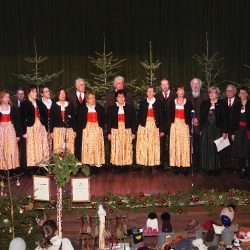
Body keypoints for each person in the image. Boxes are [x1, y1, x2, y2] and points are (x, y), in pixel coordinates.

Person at [200, 86, 228, 176]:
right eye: (210, 92)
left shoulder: (222, 104)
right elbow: (202, 117)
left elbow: (225, 119)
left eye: (213, 92)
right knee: (208, 148)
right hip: (207, 129)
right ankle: (210, 167)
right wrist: (201, 129)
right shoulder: (205, 104)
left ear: (217, 94)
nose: (211, 94)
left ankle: (217, 168)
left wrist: (224, 131)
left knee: (216, 148)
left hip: (217, 129)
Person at [19, 85, 49, 168]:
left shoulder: (39, 103)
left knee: (41, 145)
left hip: (40, 126)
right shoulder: (24, 104)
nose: (35, 93)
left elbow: (45, 116)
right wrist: (24, 132)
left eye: (36, 91)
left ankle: (42, 166)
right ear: (28, 93)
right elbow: (21, 119)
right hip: (30, 127)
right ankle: (32, 167)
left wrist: (46, 129)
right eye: (33, 92)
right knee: (32, 146)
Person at [107, 89, 136, 174]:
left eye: (122, 96)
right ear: (116, 98)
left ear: (125, 98)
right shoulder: (111, 108)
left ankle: (125, 166)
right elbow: (109, 122)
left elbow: (133, 121)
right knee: (116, 148)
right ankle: (117, 166)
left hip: (126, 130)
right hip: (115, 131)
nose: (120, 98)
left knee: (126, 148)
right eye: (119, 96)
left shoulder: (130, 108)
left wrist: (133, 133)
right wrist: (109, 133)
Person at [136, 86, 164, 174]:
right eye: (148, 91)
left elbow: (162, 117)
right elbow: (139, 116)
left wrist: (162, 130)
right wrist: (138, 128)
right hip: (144, 126)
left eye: (152, 91)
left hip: (154, 127)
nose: (150, 93)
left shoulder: (159, 103)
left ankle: (153, 166)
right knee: (145, 145)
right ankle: (146, 165)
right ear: (146, 93)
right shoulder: (143, 103)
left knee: (154, 146)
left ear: (154, 93)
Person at [77, 91, 105, 175]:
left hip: (97, 129)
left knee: (97, 148)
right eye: (90, 98)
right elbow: (79, 120)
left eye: (93, 98)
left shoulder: (100, 108)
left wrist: (101, 126)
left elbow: (104, 118)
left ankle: (96, 169)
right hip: (87, 130)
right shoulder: (82, 109)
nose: (92, 99)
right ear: (87, 99)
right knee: (88, 148)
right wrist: (83, 128)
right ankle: (89, 168)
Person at [185, 78, 209, 172]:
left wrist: (198, 120)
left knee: (201, 146)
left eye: (197, 84)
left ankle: (201, 165)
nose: (195, 86)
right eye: (193, 84)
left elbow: (207, 111)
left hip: (201, 126)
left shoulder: (205, 96)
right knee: (191, 146)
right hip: (189, 126)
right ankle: (192, 164)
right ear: (191, 85)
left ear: (200, 85)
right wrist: (191, 119)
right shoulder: (186, 96)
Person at [169, 84, 193, 176]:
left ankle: (185, 167)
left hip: (184, 125)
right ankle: (176, 166)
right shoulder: (172, 102)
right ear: (176, 92)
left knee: (184, 146)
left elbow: (190, 115)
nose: (181, 92)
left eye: (183, 90)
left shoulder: (188, 102)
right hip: (175, 125)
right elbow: (170, 115)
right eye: (179, 90)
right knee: (175, 145)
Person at [155, 78, 176, 168]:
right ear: (160, 86)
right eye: (163, 85)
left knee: (172, 143)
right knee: (161, 143)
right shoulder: (157, 97)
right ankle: (161, 163)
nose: (165, 86)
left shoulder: (175, 96)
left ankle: (172, 163)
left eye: (166, 84)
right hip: (161, 124)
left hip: (172, 123)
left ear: (169, 85)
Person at [231, 86, 250, 180]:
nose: (242, 94)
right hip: (239, 131)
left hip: (248, 130)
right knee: (241, 151)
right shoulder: (237, 106)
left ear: (247, 94)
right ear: (238, 94)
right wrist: (233, 133)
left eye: (244, 92)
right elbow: (234, 120)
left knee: (248, 150)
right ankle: (243, 171)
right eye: (241, 93)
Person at [50, 88, 76, 154]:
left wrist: (75, 130)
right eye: (61, 93)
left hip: (69, 130)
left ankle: (69, 162)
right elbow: (52, 119)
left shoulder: (70, 105)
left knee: (69, 147)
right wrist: (51, 131)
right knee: (58, 147)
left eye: (64, 93)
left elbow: (73, 119)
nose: (62, 95)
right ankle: (59, 163)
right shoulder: (54, 105)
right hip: (57, 130)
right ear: (57, 95)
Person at [0, 90, 20, 170]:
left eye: (8, 97)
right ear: (1, 98)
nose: (7, 99)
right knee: (2, 148)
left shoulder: (12, 108)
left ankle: (11, 167)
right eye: (6, 97)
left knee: (11, 148)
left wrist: (18, 135)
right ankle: (2, 167)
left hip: (10, 129)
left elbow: (16, 121)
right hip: (1, 129)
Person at [67, 78, 86, 160]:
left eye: (84, 84)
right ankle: (76, 162)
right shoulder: (70, 96)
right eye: (81, 85)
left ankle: (86, 162)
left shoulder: (88, 96)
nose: (84, 86)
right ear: (76, 86)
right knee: (76, 143)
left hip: (86, 124)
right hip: (75, 124)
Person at [223, 84, 240, 171]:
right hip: (226, 128)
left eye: (230, 91)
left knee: (236, 146)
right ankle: (228, 165)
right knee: (227, 147)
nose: (228, 93)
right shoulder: (223, 101)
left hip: (236, 128)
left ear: (235, 92)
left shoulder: (239, 102)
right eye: (227, 91)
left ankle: (236, 166)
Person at [40, 85, 53, 150]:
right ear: (42, 94)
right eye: (46, 91)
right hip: (43, 126)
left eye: (48, 91)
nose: (48, 92)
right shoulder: (39, 103)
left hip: (52, 125)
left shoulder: (53, 102)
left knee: (53, 142)